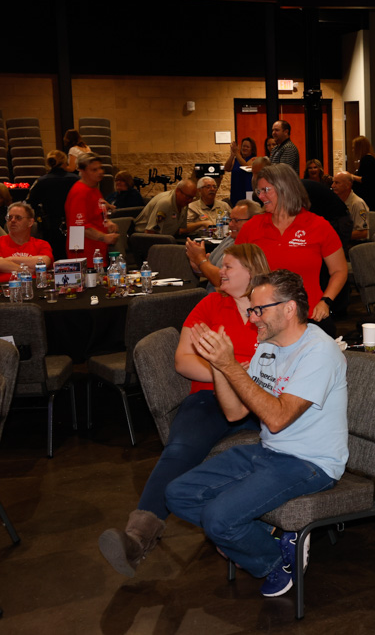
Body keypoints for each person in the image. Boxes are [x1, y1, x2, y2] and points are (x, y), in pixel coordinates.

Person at [165, 269, 349, 598]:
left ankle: (274, 561)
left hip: (311, 463)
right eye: (252, 310)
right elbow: (235, 412)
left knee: (219, 520)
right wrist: (219, 366)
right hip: (270, 452)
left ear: (289, 308)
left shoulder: (318, 353)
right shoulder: (267, 346)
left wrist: (231, 365)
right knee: (178, 493)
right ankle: (263, 543)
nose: (252, 319)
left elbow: (277, 418)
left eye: (258, 310)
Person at [97, 244, 270, 577]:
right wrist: (229, 370)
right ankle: (137, 538)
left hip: (260, 400)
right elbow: (183, 360)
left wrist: (242, 374)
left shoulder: (270, 308)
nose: (221, 271)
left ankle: (258, 533)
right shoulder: (209, 305)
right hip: (209, 399)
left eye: (229, 266)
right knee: (178, 451)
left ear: (252, 271)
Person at [236, 164, 348, 331]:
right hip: (263, 320)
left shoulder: (318, 225)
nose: (261, 196)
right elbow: (235, 271)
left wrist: (326, 301)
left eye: (266, 190)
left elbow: (339, 270)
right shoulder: (251, 227)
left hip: (308, 318)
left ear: (284, 189)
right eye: (259, 192)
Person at [186, 199, 262, 288]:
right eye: (230, 219)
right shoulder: (230, 239)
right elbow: (208, 270)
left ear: (252, 221)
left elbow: (225, 281)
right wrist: (197, 266)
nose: (230, 224)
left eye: (236, 220)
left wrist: (200, 260)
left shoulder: (251, 248)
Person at [65, 153, 118, 259]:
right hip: (85, 255)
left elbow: (97, 215)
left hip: (97, 252)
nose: (100, 172)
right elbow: (79, 227)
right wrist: (104, 237)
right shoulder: (80, 192)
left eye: (100, 168)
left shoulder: (94, 189)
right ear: (82, 171)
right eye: (94, 170)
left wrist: (108, 223)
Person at [28, 150, 78, 260]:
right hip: (75, 225)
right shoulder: (76, 179)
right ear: (65, 162)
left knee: (55, 257)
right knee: (76, 256)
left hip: (51, 226)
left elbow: (30, 203)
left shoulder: (41, 181)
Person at [1, 202, 53, 273]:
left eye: (18, 218)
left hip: (34, 283)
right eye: (9, 217)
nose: (12, 220)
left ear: (30, 222)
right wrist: (24, 271)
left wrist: (8, 260)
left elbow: (44, 262)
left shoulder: (41, 244)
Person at [331, 172, 369, 242]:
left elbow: (363, 233)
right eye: (333, 182)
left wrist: (337, 237)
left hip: (354, 244)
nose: (333, 186)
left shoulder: (357, 203)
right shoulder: (335, 201)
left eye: (337, 183)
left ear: (348, 185)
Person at [349, 135, 375, 204]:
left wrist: (351, 176)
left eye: (354, 147)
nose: (352, 150)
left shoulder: (367, 160)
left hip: (367, 196)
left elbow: (366, 179)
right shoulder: (372, 159)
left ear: (359, 148)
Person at [225, 137, 257, 205]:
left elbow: (245, 165)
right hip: (236, 190)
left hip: (247, 190)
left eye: (247, 147)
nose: (244, 148)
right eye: (243, 146)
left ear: (252, 149)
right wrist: (232, 155)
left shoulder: (254, 159)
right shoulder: (236, 159)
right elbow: (227, 168)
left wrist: (236, 153)